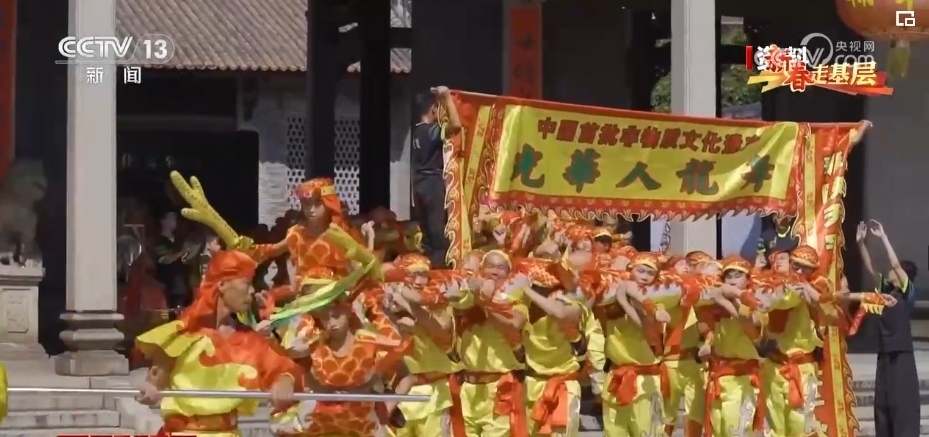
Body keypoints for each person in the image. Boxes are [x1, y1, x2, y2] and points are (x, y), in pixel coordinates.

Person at [134, 250, 300, 436]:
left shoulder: (249, 340)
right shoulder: (183, 333)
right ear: (222, 285)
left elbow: (282, 369)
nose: (253, 291)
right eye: (246, 283)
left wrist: (285, 382)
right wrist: (149, 390)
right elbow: (154, 383)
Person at [857, 220, 921, 437]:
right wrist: (861, 243)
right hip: (884, 353)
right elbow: (870, 269)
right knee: (883, 404)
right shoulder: (887, 292)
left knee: (902, 404)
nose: (892, 270)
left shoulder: (908, 293)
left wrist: (883, 237)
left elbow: (895, 264)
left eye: (897, 270)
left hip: (902, 354)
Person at [411, 86, 461, 269]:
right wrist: (447, 97)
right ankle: (439, 272)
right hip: (432, 185)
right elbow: (456, 126)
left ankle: (428, 267)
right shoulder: (430, 131)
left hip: (419, 185)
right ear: (433, 109)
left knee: (427, 235)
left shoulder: (416, 132)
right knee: (438, 233)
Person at [152, 210, 193, 308]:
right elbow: (164, 259)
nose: (174, 221)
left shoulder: (179, 239)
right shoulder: (159, 241)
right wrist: (182, 252)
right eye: (170, 218)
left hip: (182, 285)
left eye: (175, 218)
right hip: (167, 285)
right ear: (162, 221)